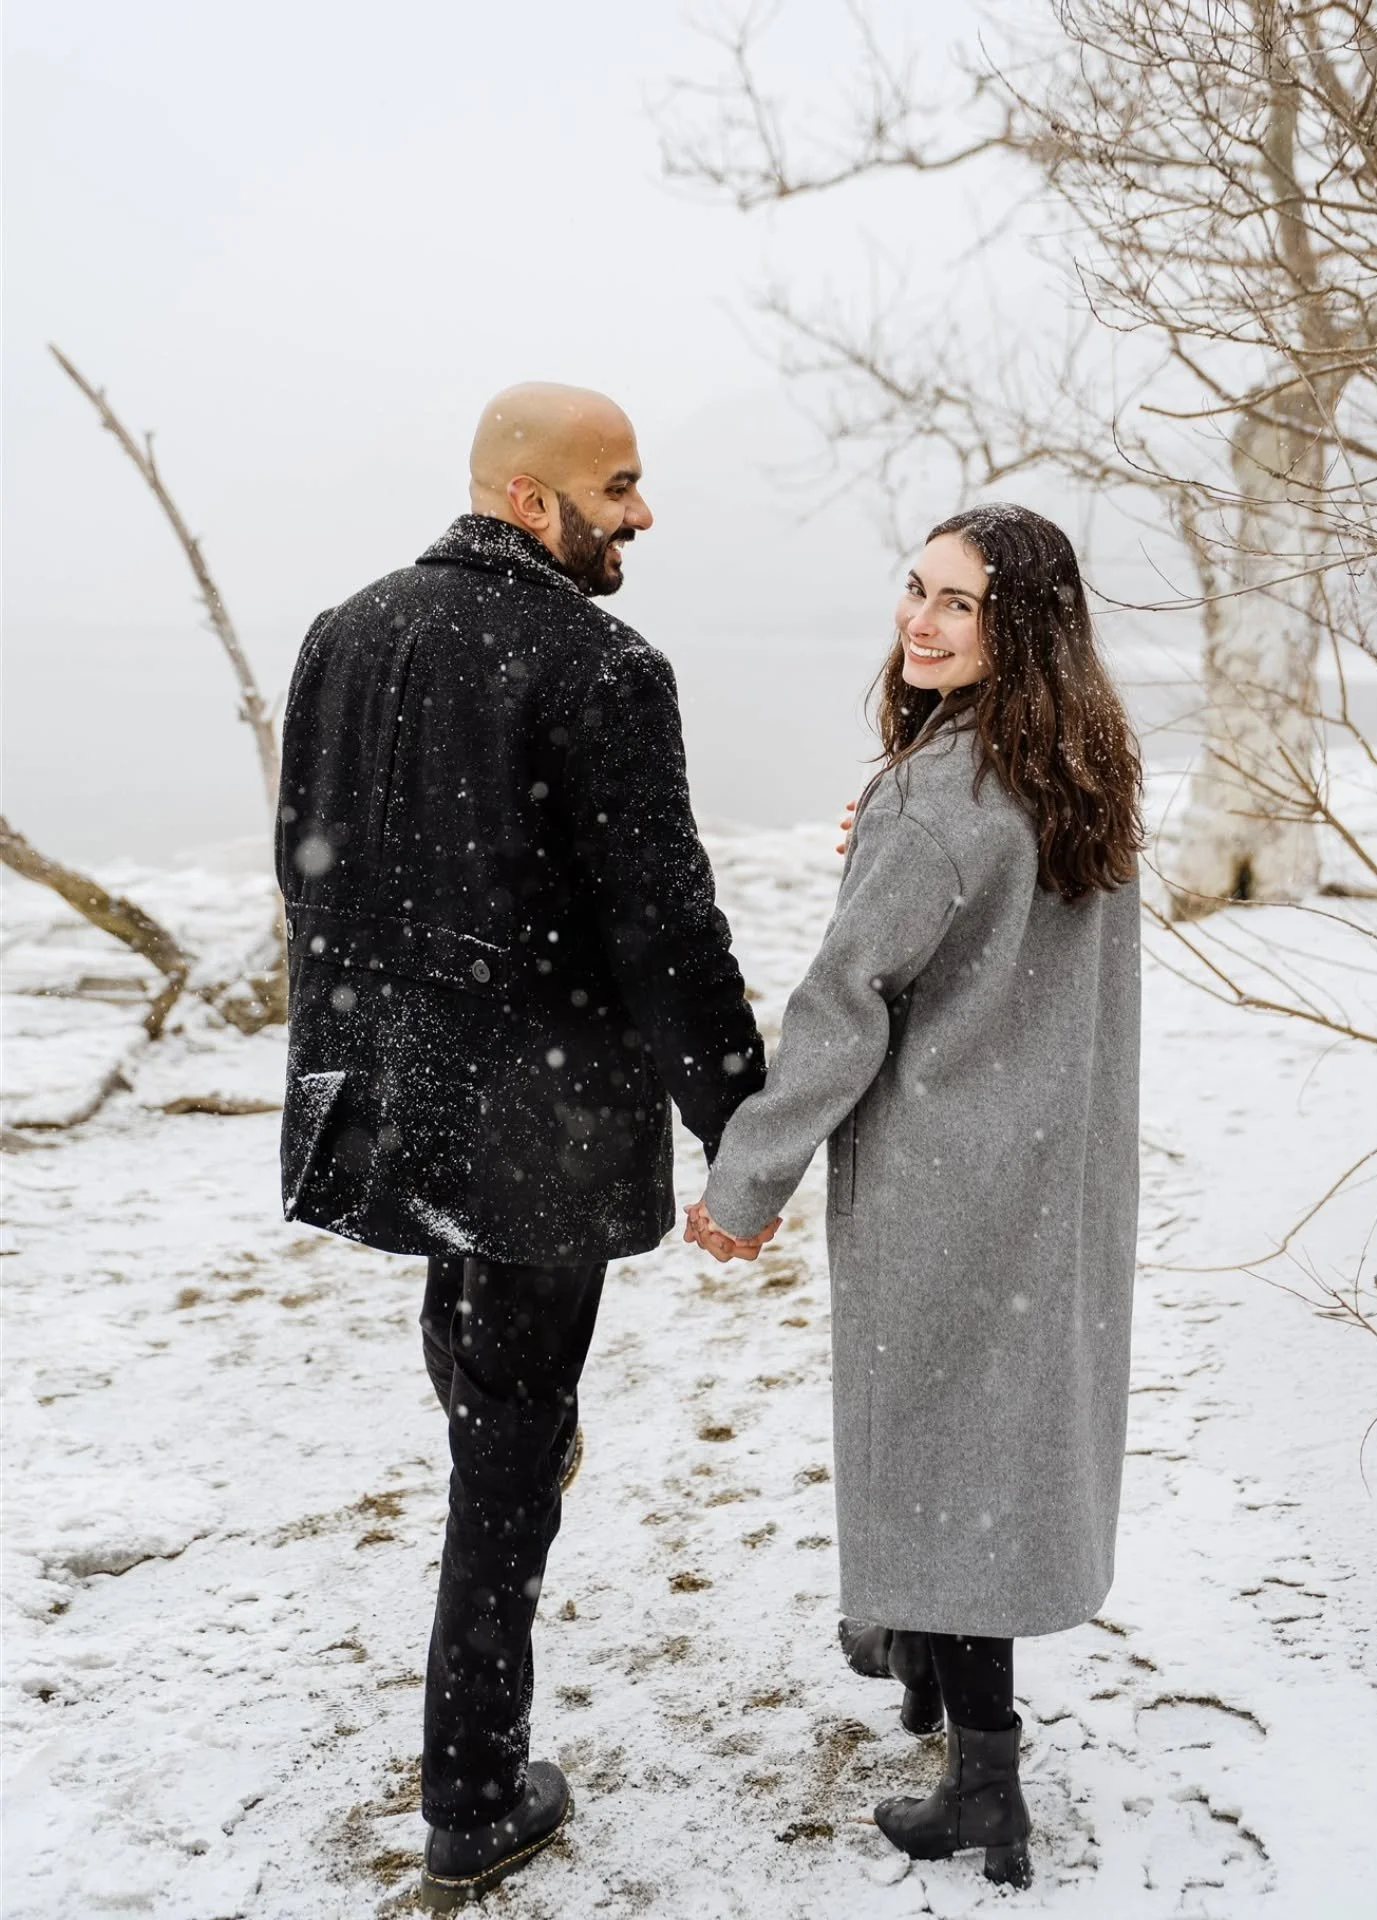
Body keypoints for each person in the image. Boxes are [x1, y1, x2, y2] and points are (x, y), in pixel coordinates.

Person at [275, 383, 776, 1910]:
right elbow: (664, 925)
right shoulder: (603, 664)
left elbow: (306, 861)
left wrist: (365, 1047)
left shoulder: (341, 633)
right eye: (615, 487)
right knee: (506, 1459)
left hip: (388, 1097)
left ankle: (503, 1416)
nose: (639, 516)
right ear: (521, 493)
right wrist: (741, 1113)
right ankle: (475, 1793)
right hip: (533, 1128)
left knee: (488, 1375)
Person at [686, 502, 1144, 1891]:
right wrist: (902, 801)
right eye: (916, 589)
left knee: (948, 1444)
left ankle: (984, 1779)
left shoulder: (945, 798)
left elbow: (842, 1006)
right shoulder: (1077, 769)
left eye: (959, 605)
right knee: (987, 1432)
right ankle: (926, 1663)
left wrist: (746, 1178)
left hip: (946, 1172)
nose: (921, 620)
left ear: (1021, 631)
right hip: (1051, 1164)